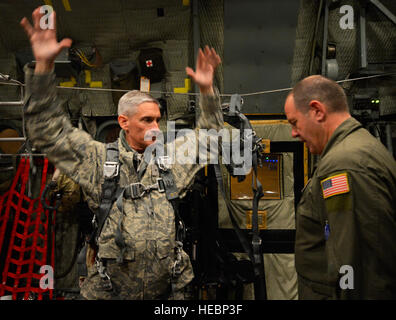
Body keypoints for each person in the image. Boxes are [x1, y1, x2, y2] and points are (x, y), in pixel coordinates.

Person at [20, 7, 223, 299]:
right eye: (146, 120)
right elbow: (46, 130)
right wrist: (42, 69)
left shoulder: (170, 162)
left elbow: (210, 139)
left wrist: (207, 93)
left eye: (157, 119)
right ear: (124, 123)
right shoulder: (97, 161)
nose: (155, 127)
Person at [284, 75, 396, 299]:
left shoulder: (344, 165)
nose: (294, 133)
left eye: (294, 122)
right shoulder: (360, 148)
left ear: (317, 110)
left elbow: (354, 264)